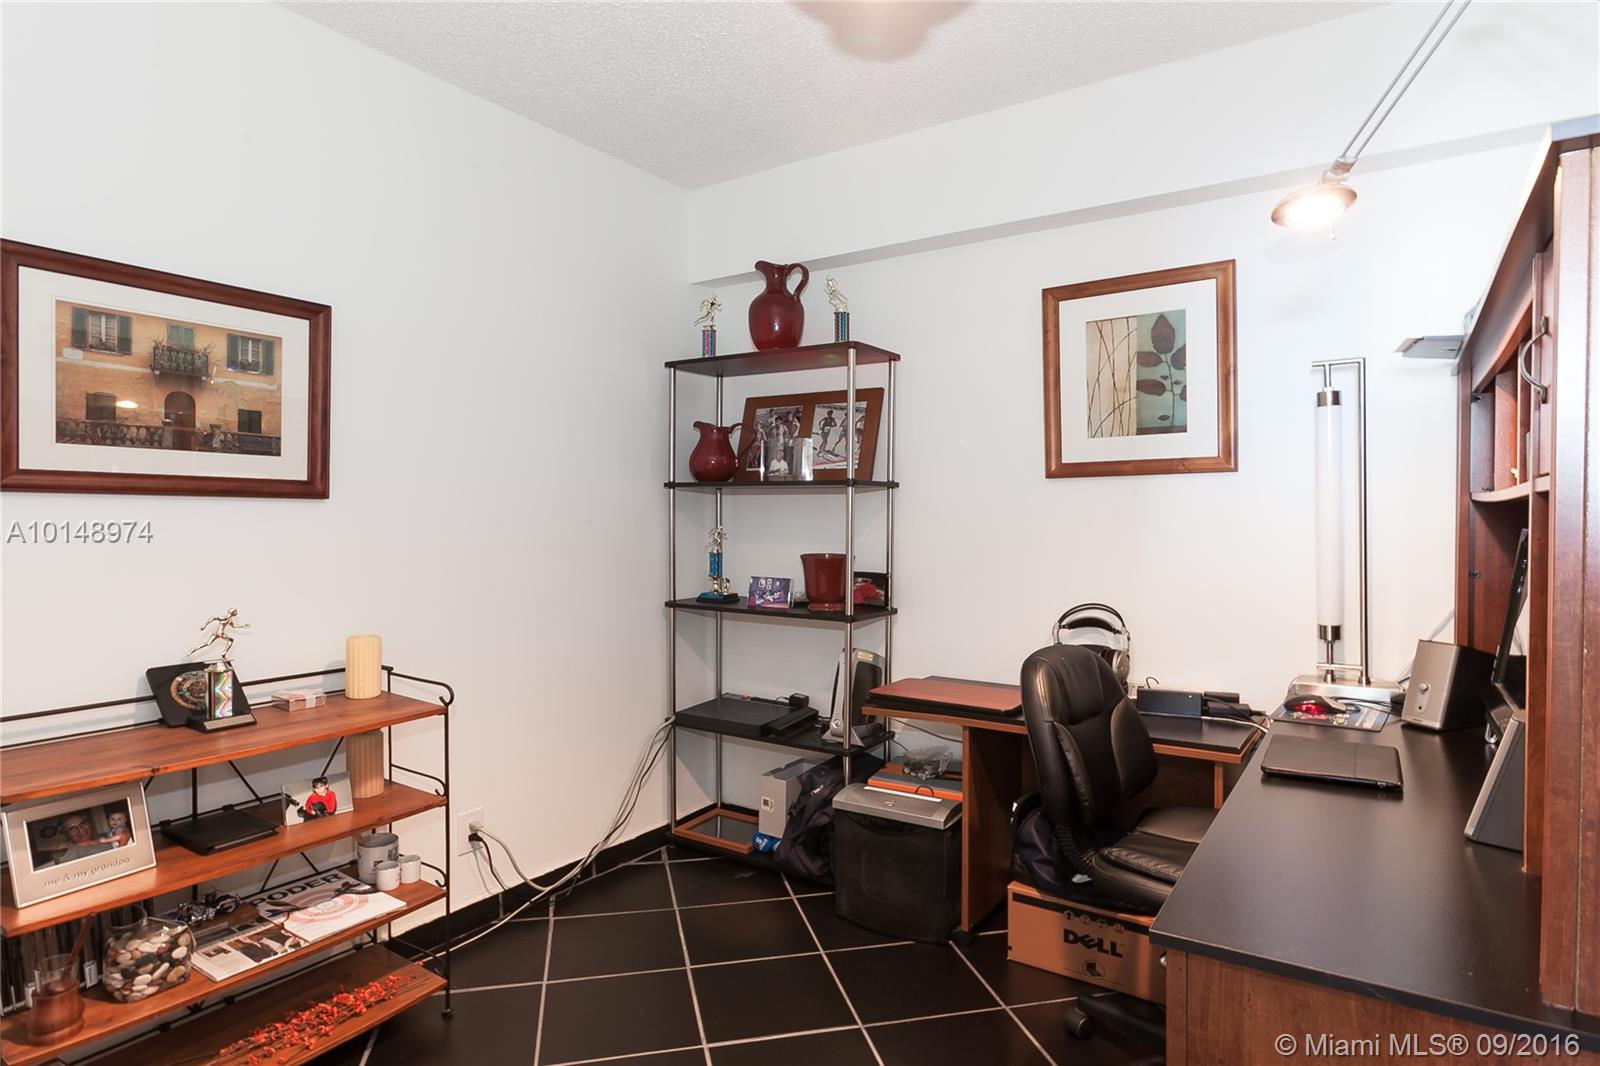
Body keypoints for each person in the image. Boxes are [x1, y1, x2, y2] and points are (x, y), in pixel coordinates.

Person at [47, 812, 114, 866]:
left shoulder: (108, 836)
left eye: (83, 824)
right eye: (73, 828)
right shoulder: (67, 853)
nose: (81, 829)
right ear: (65, 835)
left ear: (89, 824)